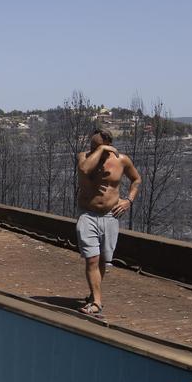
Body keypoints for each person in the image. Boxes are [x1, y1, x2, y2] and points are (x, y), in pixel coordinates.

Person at [75, 128, 140, 315]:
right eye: (92, 145)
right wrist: (100, 150)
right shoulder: (84, 158)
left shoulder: (122, 161)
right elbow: (85, 169)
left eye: (98, 145)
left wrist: (129, 200)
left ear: (110, 145)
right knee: (92, 259)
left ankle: (94, 295)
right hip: (87, 214)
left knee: (102, 259)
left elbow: (136, 180)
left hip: (110, 217)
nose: (92, 148)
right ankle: (96, 302)